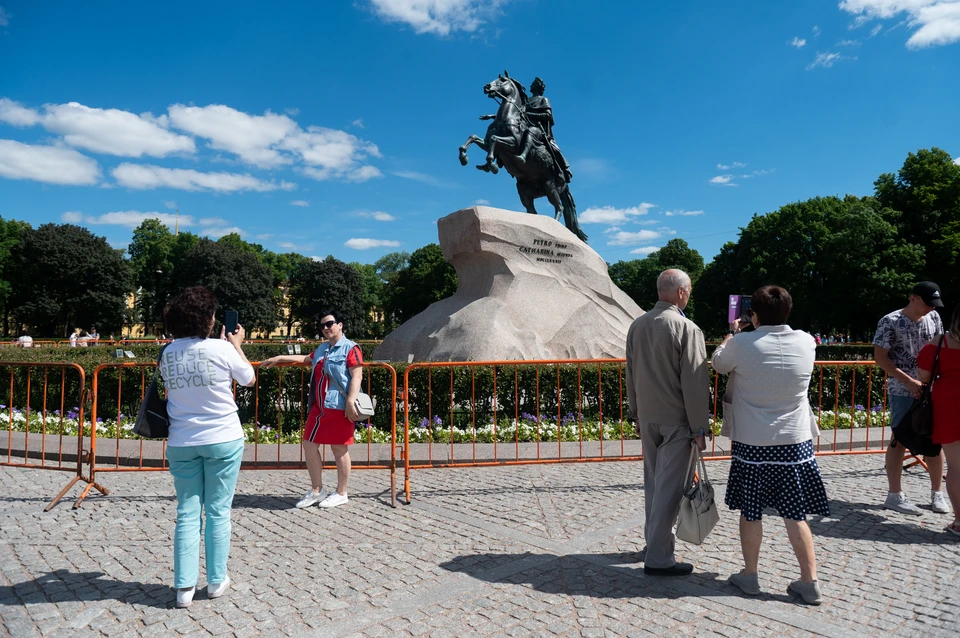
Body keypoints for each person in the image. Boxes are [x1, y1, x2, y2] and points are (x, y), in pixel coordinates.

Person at [712, 286, 829, 605]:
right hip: (794, 442)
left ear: (754, 314)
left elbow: (719, 364)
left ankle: (750, 575)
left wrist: (730, 334)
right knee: (795, 513)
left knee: (751, 511)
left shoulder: (741, 343)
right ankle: (810, 580)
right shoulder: (807, 341)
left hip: (752, 441)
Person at [161, 286, 256, 608]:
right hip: (222, 437)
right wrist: (237, 346)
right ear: (208, 319)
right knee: (218, 511)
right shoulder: (220, 348)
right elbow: (249, 378)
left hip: (182, 440)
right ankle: (216, 580)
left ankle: (183, 587)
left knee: (187, 513)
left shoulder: (167, 352)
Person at [625, 269, 708, 576]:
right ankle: (659, 556)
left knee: (654, 485)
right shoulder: (687, 328)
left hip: (647, 417)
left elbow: (630, 375)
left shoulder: (638, 325)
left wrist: (635, 413)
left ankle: (653, 543)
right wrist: (700, 428)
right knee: (670, 490)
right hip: (678, 421)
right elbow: (695, 384)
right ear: (682, 293)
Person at [262, 310, 363, 509]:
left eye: (330, 324)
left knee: (339, 448)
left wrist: (351, 401)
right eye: (323, 325)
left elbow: (357, 376)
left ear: (340, 324)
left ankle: (342, 492)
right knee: (309, 444)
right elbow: (307, 359)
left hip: (339, 406)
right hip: (319, 406)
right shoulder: (323, 349)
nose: (326, 328)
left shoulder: (351, 348)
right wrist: (280, 357)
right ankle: (317, 490)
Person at [873, 281, 947, 515]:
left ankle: (938, 494)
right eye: (928, 304)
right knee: (899, 439)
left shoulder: (934, 318)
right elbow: (880, 358)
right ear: (912, 298)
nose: (931, 309)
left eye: (935, 305)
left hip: (931, 387)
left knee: (935, 441)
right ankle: (894, 495)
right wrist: (908, 381)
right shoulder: (890, 321)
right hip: (902, 390)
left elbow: (940, 349)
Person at [918, 302, 960, 535]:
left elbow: (923, 375)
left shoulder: (941, 343)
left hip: (949, 406)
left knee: (956, 468)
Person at [516, 77, 573, 183]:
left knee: (530, 132)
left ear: (537, 87)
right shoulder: (526, 101)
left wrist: (529, 114)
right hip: (523, 126)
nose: (530, 86)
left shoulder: (543, 100)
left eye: (532, 84)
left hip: (538, 130)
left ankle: (524, 155)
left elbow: (548, 116)